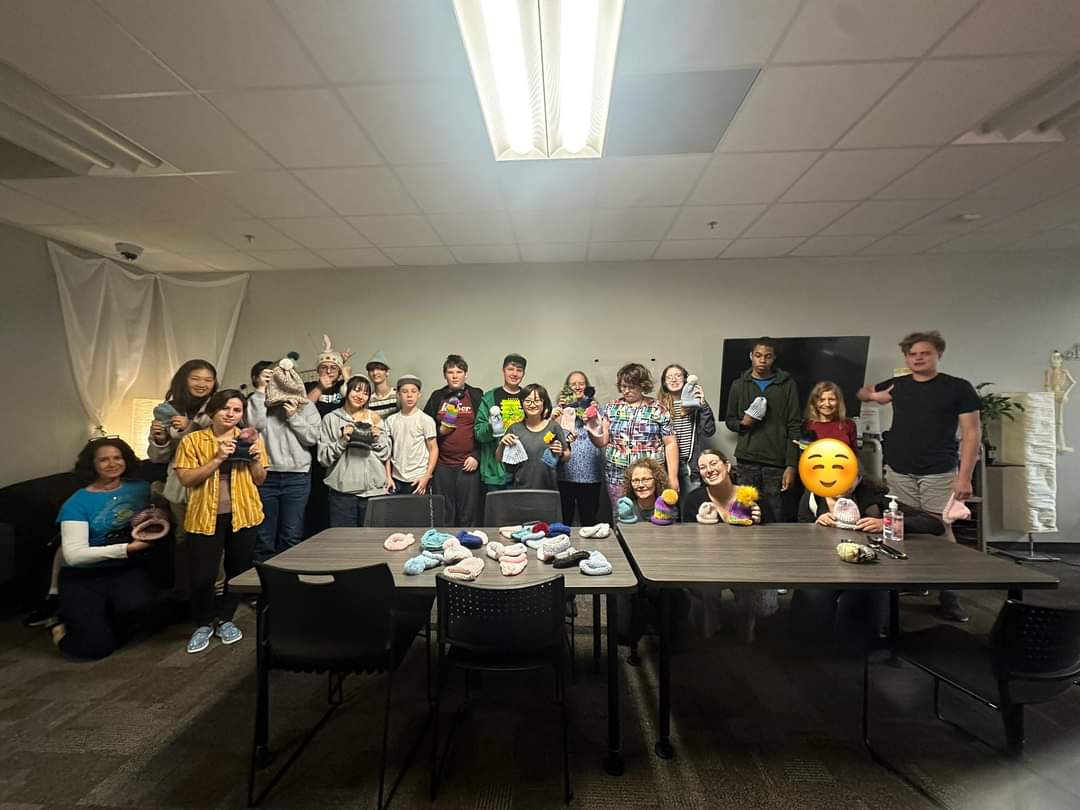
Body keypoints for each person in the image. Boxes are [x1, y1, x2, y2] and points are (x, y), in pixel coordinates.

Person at [858, 330, 981, 622]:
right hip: (900, 469)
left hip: (939, 470)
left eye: (924, 353)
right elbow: (866, 393)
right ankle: (914, 583)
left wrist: (964, 477)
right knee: (903, 528)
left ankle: (949, 594)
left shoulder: (958, 388)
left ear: (938, 354)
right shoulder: (898, 386)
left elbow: (972, 432)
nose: (917, 358)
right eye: (912, 354)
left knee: (940, 528)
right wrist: (874, 395)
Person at [793, 472, 945, 654]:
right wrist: (815, 524)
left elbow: (934, 524)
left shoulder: (875, 500)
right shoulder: (812, 498)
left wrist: (885, 523)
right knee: (813, 602)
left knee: (863, 603)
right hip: (822, 569)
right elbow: (798, 533)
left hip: (869, 570)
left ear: (858, 479)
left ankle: (858, 648)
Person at [51, 438, 165, 660]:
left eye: (117, 458)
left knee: (143, 614)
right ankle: (59, 628)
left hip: (125, 568)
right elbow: (74, 556)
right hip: (83, 575)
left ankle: (107, 617)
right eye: (103, 460)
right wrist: (128, 549)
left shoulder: (140, 488)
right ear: (92, 465)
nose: (112, 464)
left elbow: (159, 508)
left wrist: (161, 515)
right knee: (93, 650)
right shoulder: (77, 504)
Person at [174, 389, 267, 654]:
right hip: (205, 514)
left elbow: (260, 479)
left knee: (238, 570)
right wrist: (217, 458)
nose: (231, 414)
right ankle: (203, 622)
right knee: (202, 574)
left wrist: (256, 459)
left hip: (244, 513)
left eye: (237, 410)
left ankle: (226, 618)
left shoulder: (249, 438)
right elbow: (186, 479)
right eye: (226, 408)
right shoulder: (193, 441)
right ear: (213, 410)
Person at [679, 449, 775, 643]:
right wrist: (703, 528)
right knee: (707, 588)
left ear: (727, 466)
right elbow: (687, 546)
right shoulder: (694, 501)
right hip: (709, 565)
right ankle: (710, 623)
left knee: (750, 591)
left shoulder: (752, 497)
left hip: (747, 564)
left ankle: (746, 624)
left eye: (714, 463)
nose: (709, 470)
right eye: (703, 467)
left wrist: (758, 520)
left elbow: (772, 541)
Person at [147, 359, 219, 602]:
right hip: (179, 484)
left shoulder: (218, 408)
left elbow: (218, 442)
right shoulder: (166, 410)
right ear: (183, 380)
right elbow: (158, 457)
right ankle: (186, 593)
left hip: (211, 482)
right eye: (196, 378)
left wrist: (191, 427)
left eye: (208, 380)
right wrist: (159, 439)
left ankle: (216, 593)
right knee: (183, 538)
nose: (202, 384)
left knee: (212, 538)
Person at [246, 361, 320, 562]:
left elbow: (313, 439)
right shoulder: (257, 401)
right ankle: (259, 588)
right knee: (263, 537)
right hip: (265, 475)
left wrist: (293, 416)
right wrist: (261, 391)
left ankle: (289, 585)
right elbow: (253, 427)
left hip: (297, 477)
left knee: (292, 536)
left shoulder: (307, 406)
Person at [724, 337, 802, 523]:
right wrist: (744, 423)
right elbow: (730, 420)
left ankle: (774, 551)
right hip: (746, 459)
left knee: (774, 512)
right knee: (745, 509)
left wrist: (791, 465)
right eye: (758, 355)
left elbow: (794, 425)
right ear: (751, 356)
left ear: (774, 358)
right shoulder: (739, 385)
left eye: (768, 356)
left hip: (776, 462)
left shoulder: (786, 385)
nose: (762, 360)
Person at [590, 362, 678, 509]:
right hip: (618, 477)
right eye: (623, 387)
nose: (626, 391)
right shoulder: (612, 407)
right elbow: (602, 441)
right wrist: (591, 427)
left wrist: (673, 478)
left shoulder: (657, 408)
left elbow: (670, 443)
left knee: (655, 516)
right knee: (622, 517)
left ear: (642, 385)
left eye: (631, 387)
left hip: (649, 479)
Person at [317, 374, 391, 527]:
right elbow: (323, 459)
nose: (361, 396)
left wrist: (376, 439)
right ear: (346, 391)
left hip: (374, 492)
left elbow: (385, 453)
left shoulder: (375, 418)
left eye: (365, 393)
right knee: (344, 543)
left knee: (373, 542)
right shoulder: (331, 419)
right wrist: (343, 440)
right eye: (357, 390)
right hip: (343, 494)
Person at [423, 354, 484, 525]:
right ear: (445, 375)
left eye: (459, 371)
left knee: (469, 513)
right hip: (443, 465)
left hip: (468, 464)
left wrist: (476, 456)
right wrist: (440, 430)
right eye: (450, 372)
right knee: (445, 513)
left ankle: (468, 546)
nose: (455, 375)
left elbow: (483, 429)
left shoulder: (476, 395)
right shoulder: (437, 397)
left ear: (466, 374)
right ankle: (445, 546)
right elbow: (425, 429)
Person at [304, 335, 351, 536]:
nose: (329, 371)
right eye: (324, 367)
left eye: (333, 368)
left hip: (339, 446)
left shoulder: (343, 388)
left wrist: (346, 377)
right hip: (313, 448)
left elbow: (357, 399)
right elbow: (303, 408)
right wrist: (321, 387)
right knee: (315, 496)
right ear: (318, 370)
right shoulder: (311, 388)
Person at [553, 371, 604, 525]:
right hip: (565, 470)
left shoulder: (596, 408)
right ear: (567, 388)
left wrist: (592, 414)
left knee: (589, 519)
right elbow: (552, 434)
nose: (577, 387)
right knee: (565, 518)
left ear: (587, 387)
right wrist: (560, 410)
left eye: (581, 383)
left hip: (591, 471)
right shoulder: (558, 410)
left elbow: (601, 433)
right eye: (573, 384)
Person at [497, 383, 569, 490]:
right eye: (528, 400)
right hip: (520, 489)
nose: (532, 404)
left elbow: (567, 455)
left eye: (537, 400)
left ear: (544, 403)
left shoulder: (554, 427)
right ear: (522, 403)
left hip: (549, 489)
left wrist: (561, 453)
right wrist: (502, 444)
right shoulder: (514, 428)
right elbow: (499, 458)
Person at [475, 353, 528, 494]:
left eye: (519, 370)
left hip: (523, 470)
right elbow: (479, 434)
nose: (515, 373)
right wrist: (491, 426)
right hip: (496, 469)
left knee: (523, 514)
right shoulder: (489, 398)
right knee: (497, 515)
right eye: (511, 369)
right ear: (503, 370)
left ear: (523, 373)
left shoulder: (528, 398)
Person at [659, 364, 716, 493]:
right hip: (666, 466)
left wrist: (703, 405)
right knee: (667, 508)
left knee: (689, 506)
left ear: (686, 379)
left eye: (678, 376)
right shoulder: (659, 406)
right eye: (669, 377)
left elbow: (709, 431)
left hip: (689, 465)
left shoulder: (695, 404)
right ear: (664, 382)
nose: (674, 380)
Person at [385, 374, 438, 494]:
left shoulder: (426, 420)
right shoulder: (391, 420)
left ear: (419, 394)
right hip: (396, 478)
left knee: (419, 512)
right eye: (404, 391)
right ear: (398, 394)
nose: (409, 395)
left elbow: (433, 449)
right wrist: (388, 476)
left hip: (418, 478)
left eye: (413, 391)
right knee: (396, 512)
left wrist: (427, 476)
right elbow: (387, 451)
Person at [804, 380, 858, 450]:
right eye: (822, 400)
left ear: (838, 401)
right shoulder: (807, 426)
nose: (827, 404)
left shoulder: (849, 424)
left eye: (831, 399)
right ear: (814, 402)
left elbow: (854, 455)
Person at [621, 458, 677, 523]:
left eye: (646, 480)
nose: (640, 485)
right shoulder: (626, 508)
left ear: (657, 480)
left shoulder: (668, 508)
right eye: (635, 480)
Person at [366, 350, 400, 421]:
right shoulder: (368, 399)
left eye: (379, 369)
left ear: (387, 372)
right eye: (371, 369)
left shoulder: (397, 395)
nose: (375, 373)